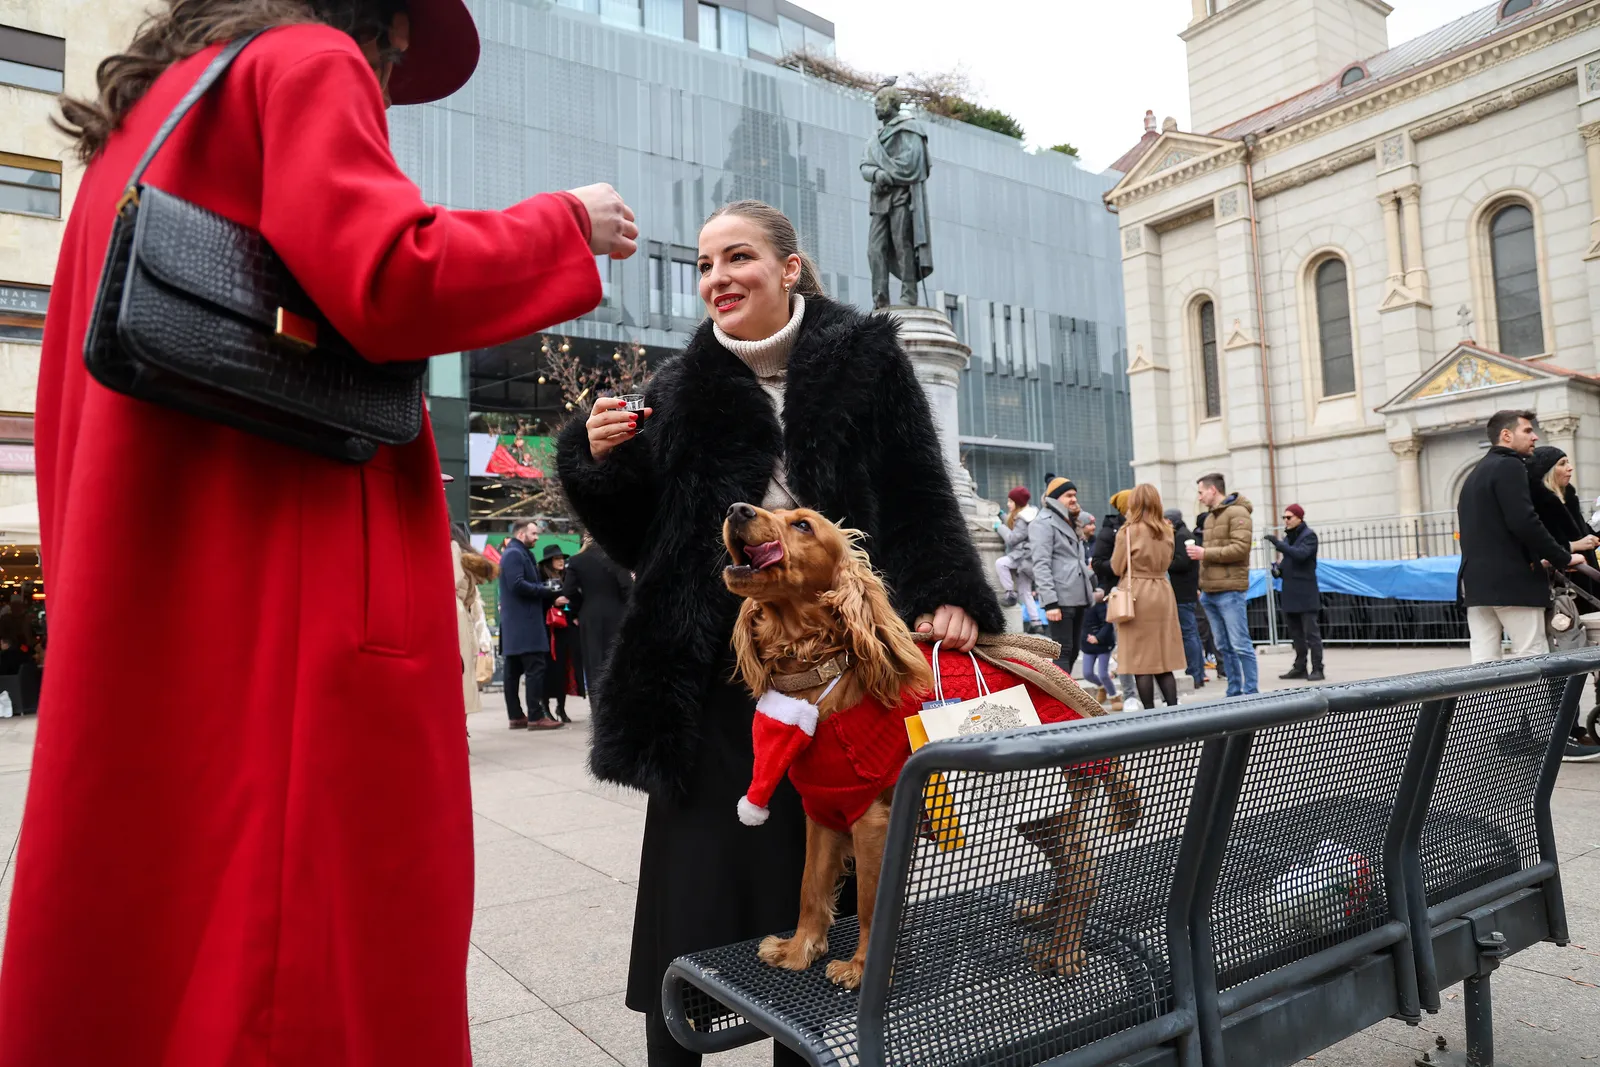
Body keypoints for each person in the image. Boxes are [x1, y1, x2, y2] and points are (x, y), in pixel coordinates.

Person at [2, 1, 640, 1062]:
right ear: (380, 16)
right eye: (395, 54)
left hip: (166, 587)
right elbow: (390, 275)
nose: (385, 84)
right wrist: (563, 222)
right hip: (285, 589)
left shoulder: (149, 116)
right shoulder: (308, 59)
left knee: (159, 930)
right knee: (305, 953)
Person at [556, 199, 1001, 1067]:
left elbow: (915, 492)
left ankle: (807, 1049)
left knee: (824, 891)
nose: (719, 277)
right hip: (711, 677)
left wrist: (950, 588)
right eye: (706, 265)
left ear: (789, 268)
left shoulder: (866, 360)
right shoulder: (678, 388)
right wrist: (592, 459)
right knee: (690, 896)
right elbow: (640, 535)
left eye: (739, 258)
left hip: (834, 679)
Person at [1458, 410, 1583, 663]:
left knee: (1483, 660)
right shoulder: (1510, 465)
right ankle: (1535, 705)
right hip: (1513, 581)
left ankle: (1487, 704)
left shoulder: (1475, 474)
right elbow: (1524, 521)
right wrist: (1562, 557)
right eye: (1527, 431)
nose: (1534, 437)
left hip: (1476, 585)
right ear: (1506, 435)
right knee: (1532, 655)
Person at [1525, 445, 1600, 763]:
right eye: (1562, 463)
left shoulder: (1568, 497)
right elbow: (1544, 546)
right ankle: (1565, 730)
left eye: (1570, 461)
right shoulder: (1540, 503)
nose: (1569, 467)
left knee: (1585, 660)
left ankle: (1579, 725)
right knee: (1567, 662)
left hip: (1586, 589)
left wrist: (1591, 538)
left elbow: (1581, 536)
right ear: (1547, 470)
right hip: (1563, 595)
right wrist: (1576, 545)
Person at [1112, 484, 1186, 708]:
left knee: (1141, 661)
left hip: (1137, 593)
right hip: (1163, 590)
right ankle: (1172, 709)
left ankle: (1150, 716)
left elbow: (1117, 566)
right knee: (1162, 660)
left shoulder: (1129, 531)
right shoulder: (1166, 530)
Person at [1187, 473, 1260, 696]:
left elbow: (1240, 549)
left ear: (1212, 490)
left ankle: (1250, 691)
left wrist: (1204, 553)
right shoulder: (1210, 518)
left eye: (1200, 492)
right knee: (1224, 647)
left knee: (1240, 644)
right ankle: (1234, 690)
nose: (1199, 497)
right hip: (1210, 591)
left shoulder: (1237, 513)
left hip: (1230, 590)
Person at [499, 521, 566, 730]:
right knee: (535, 668)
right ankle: (536, 717)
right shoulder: (514, 555)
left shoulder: (516, 553)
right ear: (521, 534)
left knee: (513, 671)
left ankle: (517, 716)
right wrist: (545, 589)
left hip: (517, 624)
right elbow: (517, 584)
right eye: (534, 533)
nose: (537, 537)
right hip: (525, 624)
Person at [1029, 477, 1095, 673]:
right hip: (1059, 598)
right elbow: (1041, 564)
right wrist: (1050, 603)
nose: (1074, 499)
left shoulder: (1072, 520)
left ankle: (1066, 696)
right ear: (1056, 498)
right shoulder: (1043, 523)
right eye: (1069, 495)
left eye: (1075, 495)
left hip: (1078, 596)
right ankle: (1060, 699)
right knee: (1062, 650)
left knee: (1073, 650)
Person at [564, 537, 634, 693]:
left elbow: (568, 591)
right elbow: (627, 587)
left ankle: (597, 708)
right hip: (617, 614)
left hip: (590, 616)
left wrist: (577, 608)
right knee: (618, 661)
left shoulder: (576, 561)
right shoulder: (615, 559)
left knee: (593, 663)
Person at [1264, 504, 1324, 681]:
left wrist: (1279, 544)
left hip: (1305, 593)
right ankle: (1300, 667)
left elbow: (1301, 555)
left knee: (1311, 633)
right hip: (1290, 592)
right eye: (1284, 518)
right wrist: (1278, 570)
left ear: (1299, 517)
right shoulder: (1289, 538)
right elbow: (1289, 561)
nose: (1286, 521)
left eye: (1289, 517)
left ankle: (1318, 667)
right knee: (1296, 634)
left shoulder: (1309, 536)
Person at [452, 524, 496, 717]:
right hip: (463, 624)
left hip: (453, 622)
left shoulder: (451, 551)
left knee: (453, 686)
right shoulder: (464, 558)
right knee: (460, 686)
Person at [1166, 507, 1206, 689]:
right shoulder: (1184, 534)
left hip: (1183, 592)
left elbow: (1183, 562)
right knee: (1192, 633)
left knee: (1189, 633)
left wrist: (1165, 562)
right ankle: (1198, 671)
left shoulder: (1181, 536)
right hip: (1186, 591)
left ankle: (1195, 673)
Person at [539, 544, 580, 722]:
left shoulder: (569, 577)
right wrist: (554, 603)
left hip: (567, 628)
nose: (561, 561)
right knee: (548, 669)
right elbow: (540, 601)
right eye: (556, 559)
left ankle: (561, 708)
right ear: (549, 562)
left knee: (564, 668)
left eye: (562, 558)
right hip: (549, 629)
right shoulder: (541, 577)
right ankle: (545, 707)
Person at [994, 487, 1039, 624]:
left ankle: (1010, 593)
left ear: (1017, 503)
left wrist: (999, 527)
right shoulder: (1029, 516)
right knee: (1025, 591)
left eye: (1010, 501)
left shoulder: (1022, 519)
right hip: (1028, 558)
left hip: (1022, 557)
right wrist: (1002, 516)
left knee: (1001, 563)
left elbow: (1012, 538)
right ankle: (1036, 622)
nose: (1008, 504)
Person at [1078, 589, 1119, 708]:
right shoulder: (1079, 607)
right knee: (1087, 673)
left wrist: (1098, 638)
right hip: (1087, 645)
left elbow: (1108, 624)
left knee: (1103, 674)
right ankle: (1102, 687)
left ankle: (1114, 695)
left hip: (1102, 645)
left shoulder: (1100, 605)